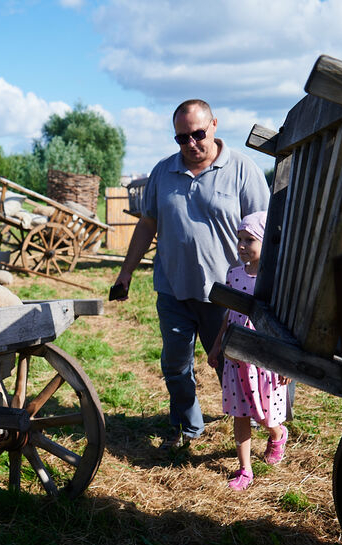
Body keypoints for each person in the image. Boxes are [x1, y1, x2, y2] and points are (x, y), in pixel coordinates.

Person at [111, 99, 270, 453]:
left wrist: (263, 283)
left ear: (214, 124)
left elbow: (264, 231)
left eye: (198, 134)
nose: (192, 143)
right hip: (173, 288)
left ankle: (257, 427)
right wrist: (126, 273)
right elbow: (148, 223)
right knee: (175, 365)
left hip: (228, 295)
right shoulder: (163, 172)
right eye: (182, 138)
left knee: (232, 366)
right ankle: (187, 427)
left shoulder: (243, 170)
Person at [209, 211, 289, 491]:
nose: (242, 245)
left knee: (267, 416)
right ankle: (245, 470)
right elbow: (229, 314)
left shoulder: (274, 280)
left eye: (249, 240)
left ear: (264, 243)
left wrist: (285, 362)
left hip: (265, 360)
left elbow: (283, 323)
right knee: (240, 414)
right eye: (239, 239)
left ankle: (277, 435)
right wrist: (218, 344)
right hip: (235, 356)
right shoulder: (234, 274)